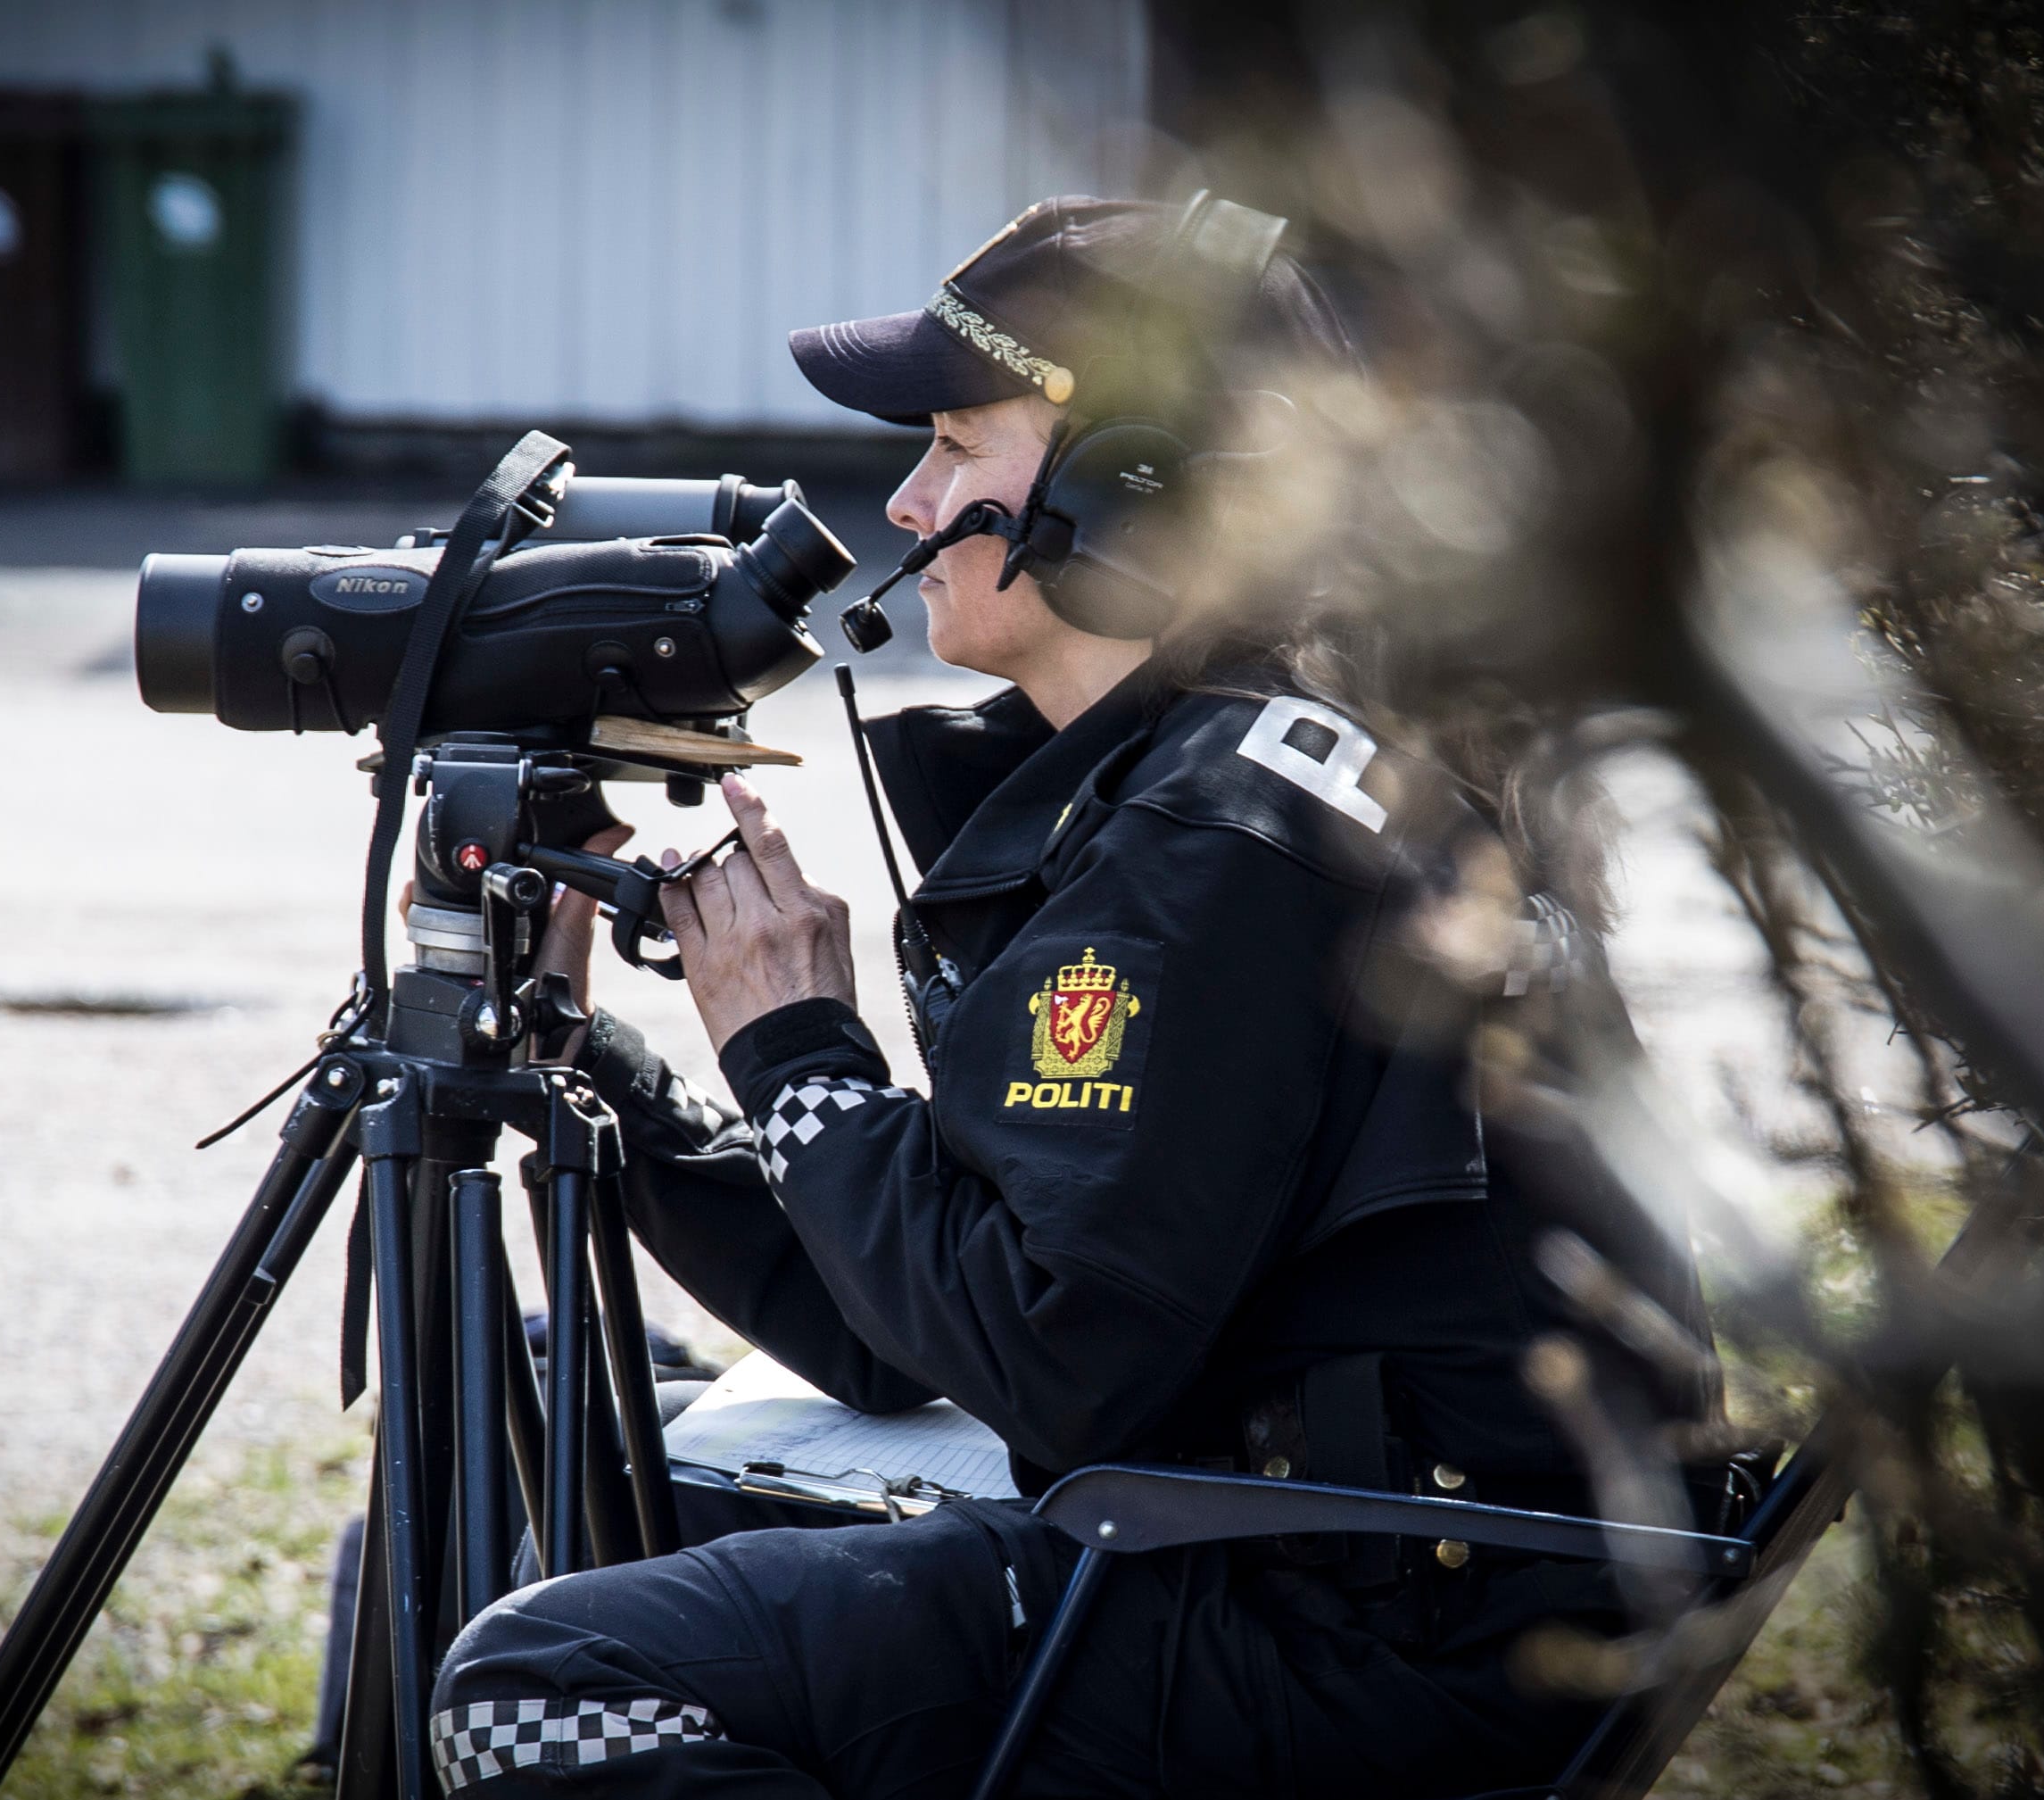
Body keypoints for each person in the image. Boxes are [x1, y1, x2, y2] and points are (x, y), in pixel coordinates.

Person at [426, 195, 1717, 1798]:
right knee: (604, 1500)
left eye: (955, 446)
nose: (907, 501)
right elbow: (917, 1325)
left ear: (1135, 490)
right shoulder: (1250, 766)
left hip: (1364, 1624)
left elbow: (1050, 1360)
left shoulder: (1223, 841)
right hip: (1391, 1565)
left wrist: (797, 1047)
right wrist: (608, 1063)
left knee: (539, 1684)